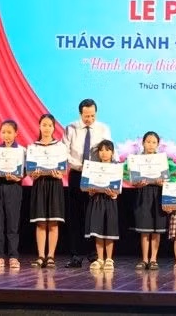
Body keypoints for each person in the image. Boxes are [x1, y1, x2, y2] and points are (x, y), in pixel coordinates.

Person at [62, 98, 112, 268]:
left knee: (93, 215)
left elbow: (109, 150)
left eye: (92, 115)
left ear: (95, 113)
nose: (89, 119)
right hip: (77, 173)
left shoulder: (103, 129)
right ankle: (76, 255)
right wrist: (77, 165)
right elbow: (64, 151)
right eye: (86, 116)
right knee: (75, 215)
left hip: (96, 176)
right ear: (80, 114)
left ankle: (93, 255)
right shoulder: (71, 128)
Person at [131, 131, 174, 270]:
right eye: (148, 141)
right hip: (143, 193)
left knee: (157, 229)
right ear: (143, 143)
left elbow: (166, 180)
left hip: (158, 194)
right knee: (145, 229)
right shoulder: (137, 159)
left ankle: (154, 259)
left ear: (158, 145)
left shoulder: (162, 160)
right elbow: (134, 181)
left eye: (154, 142)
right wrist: (138, 183)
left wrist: (161, 182)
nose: (150, 144)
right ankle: (144, 259)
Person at [29, 114, 66, 269]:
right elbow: (30, 171)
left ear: (53, 128)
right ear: (39, 126)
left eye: (49, 125)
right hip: (40, 184)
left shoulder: (60, 147)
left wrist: (60, 173)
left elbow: (63, 169)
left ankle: (50, 256)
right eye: (44, 125)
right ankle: (41, 256)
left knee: (53, 223)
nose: (46, 128)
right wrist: (33, 173)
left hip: (54, 184)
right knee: (41, 222)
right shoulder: (33, 147)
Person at [0, 120, 23, 269]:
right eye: (4, 132)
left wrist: (17, 177)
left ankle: (14, 256)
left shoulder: (21, 151)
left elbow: (24, 173)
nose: (6, 135)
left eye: (9, 132)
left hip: (14, 187)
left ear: (16, 133)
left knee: (13, 223)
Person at [85, 140, 119, 272]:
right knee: (98, 231)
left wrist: (114, 193)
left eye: (107, 150)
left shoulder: (116, 167)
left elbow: (117, 187)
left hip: (110, 201)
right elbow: (88, 186)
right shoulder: (93, 167)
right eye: (101, 150)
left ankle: (109, 258)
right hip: (97, 200)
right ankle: (100, 258)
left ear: (112, 152)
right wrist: (91, 191)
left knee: (109, 230)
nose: (104, 153)